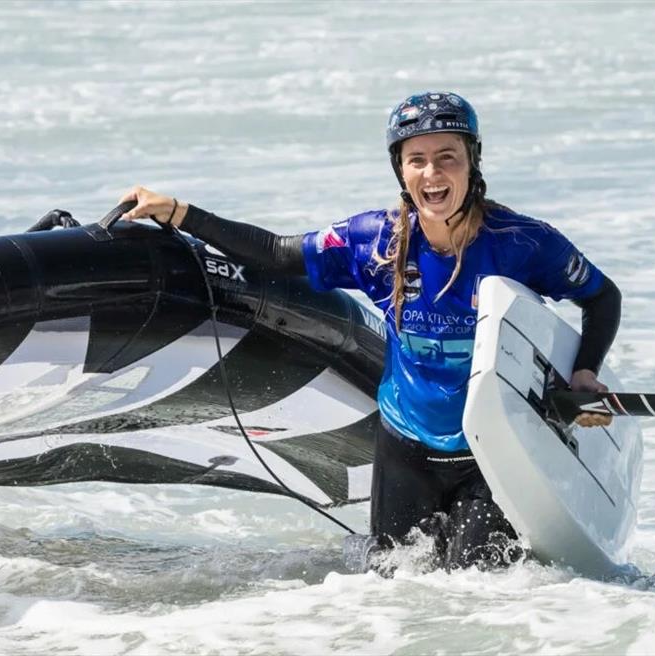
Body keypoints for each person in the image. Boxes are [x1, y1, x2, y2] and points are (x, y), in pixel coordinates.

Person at [119, 92, 621, 571]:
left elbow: (601, 296)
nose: (432, 173)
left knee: (477, 591)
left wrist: (583, 373)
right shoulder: (375, 242)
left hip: (491, 452)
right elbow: (276, 253)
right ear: (400, 169)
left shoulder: (523, 244)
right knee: (397, 594)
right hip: (404, 443)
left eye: (447, 156)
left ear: (473, 161)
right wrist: (180, 214)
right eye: (416, 159)